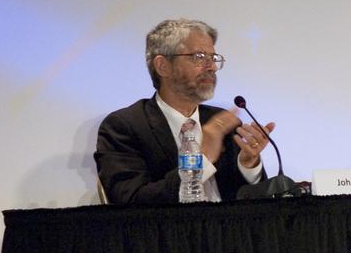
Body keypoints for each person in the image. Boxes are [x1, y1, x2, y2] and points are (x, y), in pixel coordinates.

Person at [95, 19, 271, 204]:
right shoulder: (124, 126)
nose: (211, 67)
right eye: (199, 57)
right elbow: (132, 201)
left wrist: (248, 165)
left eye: (213, 58)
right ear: (163, 65)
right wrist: (201, 160)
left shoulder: (222, 122)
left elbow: (249, 203)